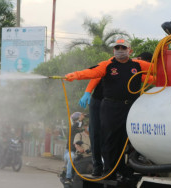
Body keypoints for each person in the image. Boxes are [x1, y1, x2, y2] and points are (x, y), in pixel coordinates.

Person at [65, 39, 153, 180]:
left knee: (123, 139)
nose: (120, 50)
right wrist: (75, 75)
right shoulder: (107, 65)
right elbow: (92, 73)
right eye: (117, 47)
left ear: (129, 50)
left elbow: (158, 70)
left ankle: (121, 168)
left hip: (129, 106)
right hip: (110, 106)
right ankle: (107, 169)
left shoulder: (138, 65)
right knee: (108, 138)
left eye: (123, 47)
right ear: (113, 50)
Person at [63, 111, 86, 185]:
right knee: (71, 156)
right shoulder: (72, 130)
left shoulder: (83, 133)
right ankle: (68, 177)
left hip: (82, 152)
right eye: (78, 121)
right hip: (70, 152)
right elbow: (75, 126)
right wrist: (80, 120)